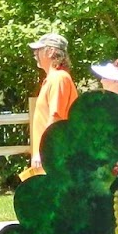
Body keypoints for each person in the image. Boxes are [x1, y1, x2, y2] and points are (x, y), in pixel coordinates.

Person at [23, 31, 78, 180]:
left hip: (55, 155)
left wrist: (43, 151)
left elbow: (56, 118)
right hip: (52, 154)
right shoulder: (53, 78)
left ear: (51, 51)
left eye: (38, 50)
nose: (35, 54)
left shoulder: (59, 78)